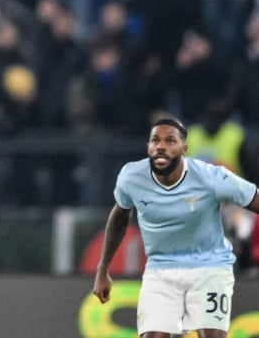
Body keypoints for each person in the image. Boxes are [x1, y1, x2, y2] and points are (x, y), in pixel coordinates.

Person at [92, 117, 259, 338]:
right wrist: (103, 269)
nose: (161, 146)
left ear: (184, 149)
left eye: (170, 141)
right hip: (160, 270)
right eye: (155, 140)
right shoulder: (131, 177)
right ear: (148, 147)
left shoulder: (210, 177)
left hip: (209, 268)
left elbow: (254, 198)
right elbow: (120, 214)